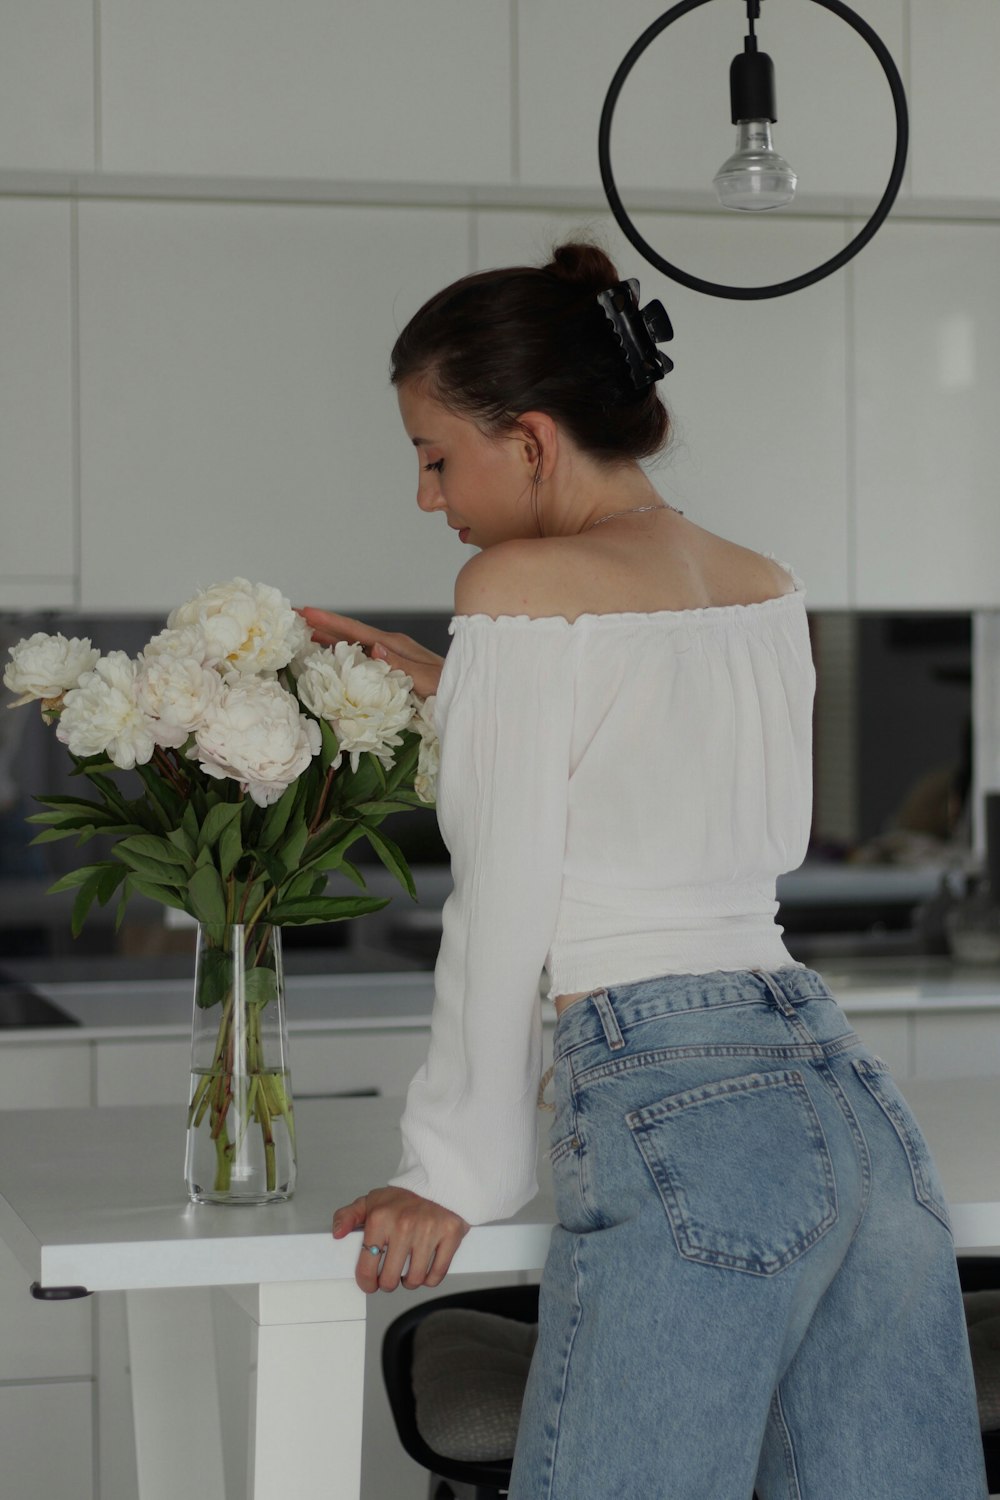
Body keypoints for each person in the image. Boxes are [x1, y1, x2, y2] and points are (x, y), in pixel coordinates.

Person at [302, 243, 986, 1498]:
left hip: (674, 1100)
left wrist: (447, 1170)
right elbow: (672, 805)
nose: (425, 495)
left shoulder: (514, 584)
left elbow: (505, 903)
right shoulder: (758, 584)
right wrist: (472, 699)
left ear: (533, 440)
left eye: (435, 454)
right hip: (842, 1097)